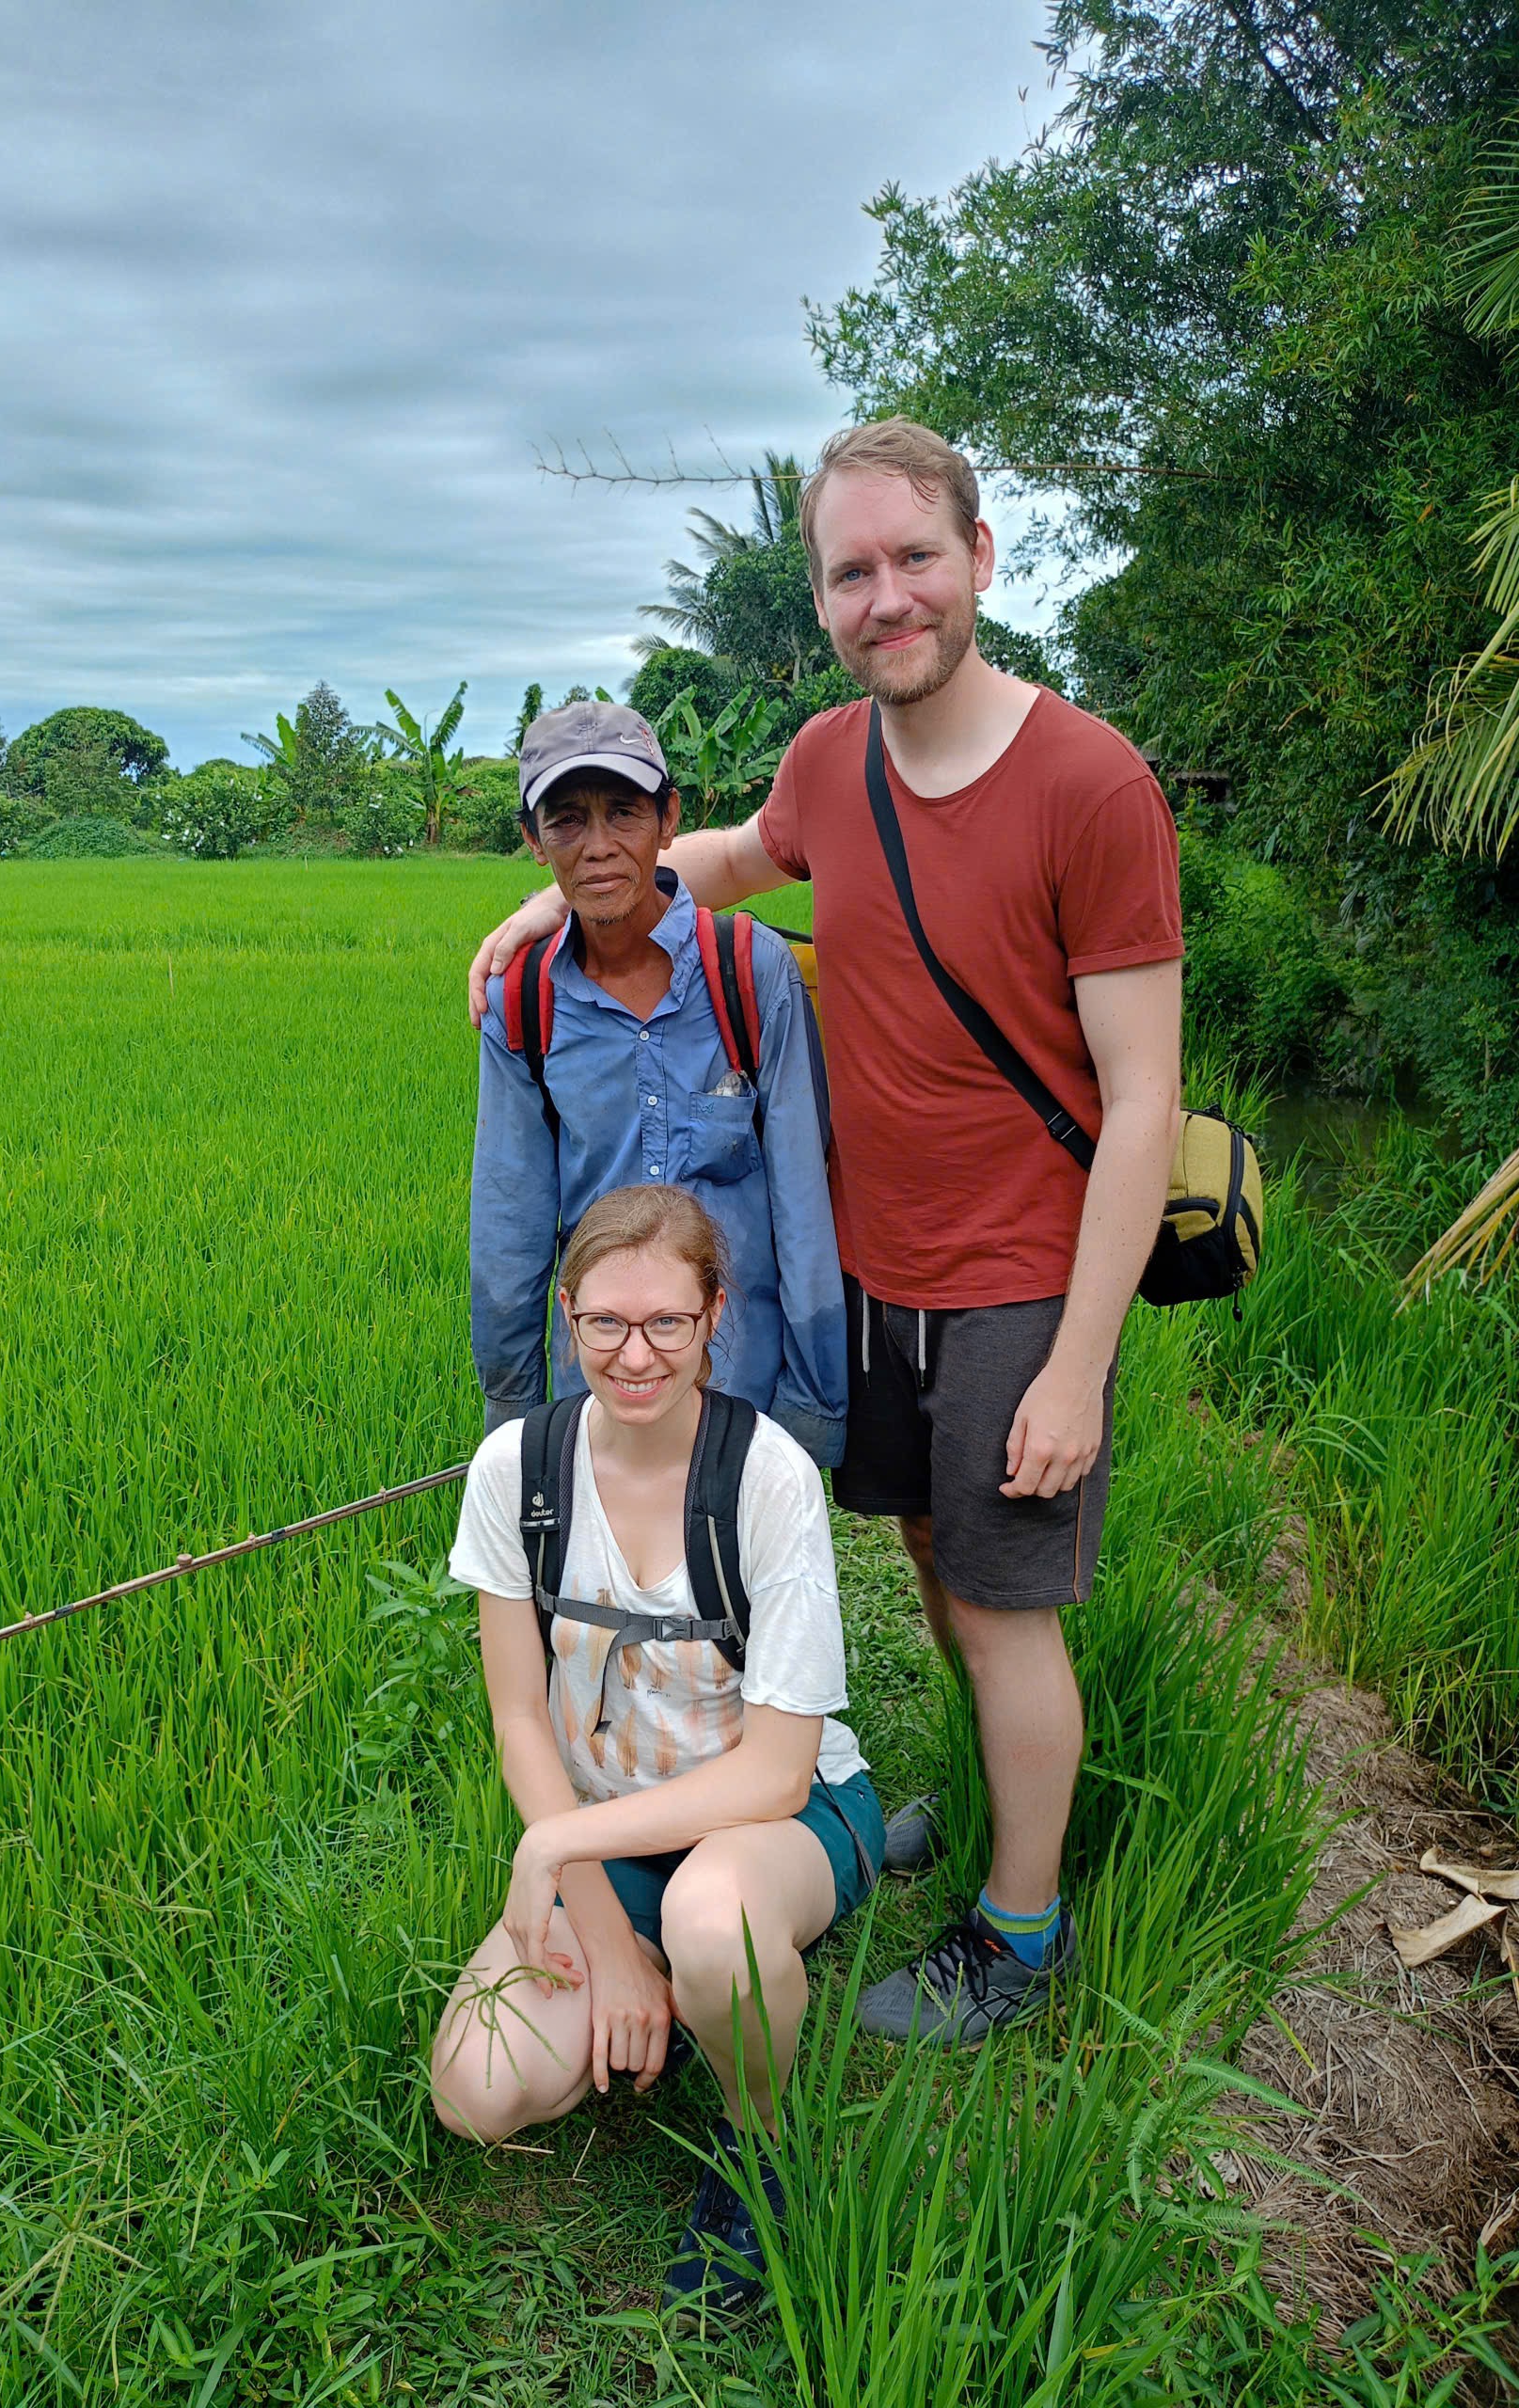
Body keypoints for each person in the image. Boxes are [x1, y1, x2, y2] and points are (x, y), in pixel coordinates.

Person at [468, 421, 1183, 2047]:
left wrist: (1077, 1367)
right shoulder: (828, 762)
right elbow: (705, 862)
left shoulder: (1093, 785)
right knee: (938, 1574)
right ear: (823, 598)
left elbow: (1142, 1103)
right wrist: (546, 906)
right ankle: (941, 1836)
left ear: (980, 558)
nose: (888, 597)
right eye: (852, 572)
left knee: (1008, 1611)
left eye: (914, 557)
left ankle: (1019, 1935)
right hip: (872, 1273)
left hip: (1020, 1277)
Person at [432, 1183, 884, 2312]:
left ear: (713, 1315)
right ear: (568, 1310)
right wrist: (596, 1919)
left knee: (708, 1921)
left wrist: (558, 1850)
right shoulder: (518, 1472)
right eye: (606, 1324)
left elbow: (778, 1767)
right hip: (618, 1830)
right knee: (478, 2087)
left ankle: (761, 2143)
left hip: (778, 1818)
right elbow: (521, 1719)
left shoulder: (767, 1477)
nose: (636, 1355)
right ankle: (686, 1994)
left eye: (668, 1324)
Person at [470, 697, 847, 1467]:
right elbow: (509, 1222)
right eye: (567, 820)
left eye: (625, 813)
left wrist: (813, 1410)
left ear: (669, 820)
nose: (599, 846)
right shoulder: (526, 1000)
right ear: (534, 842)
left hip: (742, 1382)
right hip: (598, 1385)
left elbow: (805, 1208)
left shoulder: (749, 972)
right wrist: (514, 1426)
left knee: (730, 1582)